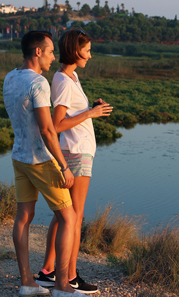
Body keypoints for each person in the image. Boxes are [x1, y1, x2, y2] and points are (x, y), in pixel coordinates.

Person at [3, 31, 87, 297]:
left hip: (19, 157)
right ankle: (62, 287)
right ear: (37, 52)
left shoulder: (10, 77)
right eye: (50, 51)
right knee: (69, 217)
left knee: (23, 218)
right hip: (41, 160)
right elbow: (48, 130)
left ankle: (28, 283)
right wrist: (63, 165)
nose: (54, 57)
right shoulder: (39, 83)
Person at [35, 28, 113, 294]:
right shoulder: (65, 81)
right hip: (76, 154)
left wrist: (90, 109)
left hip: (76, 152)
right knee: (74, 218)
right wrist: (91, 112)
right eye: (87, 51)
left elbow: (70, 113)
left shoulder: (69, 76)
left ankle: (48, 271)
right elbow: (57, 125)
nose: (90, 56)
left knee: (62, 215)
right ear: (75, 50)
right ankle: (70, 276)